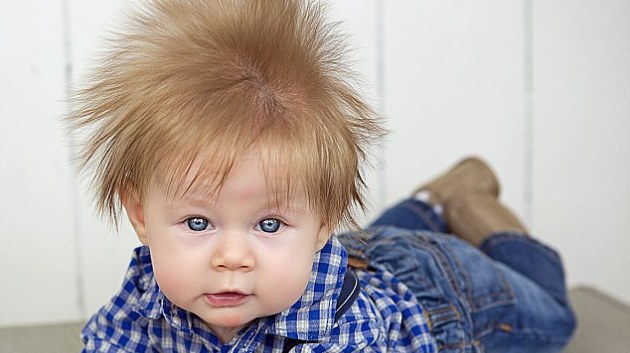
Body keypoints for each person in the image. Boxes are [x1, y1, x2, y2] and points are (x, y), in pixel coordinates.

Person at [68, 0, 576, 352]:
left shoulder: (344, 335)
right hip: (360, 253)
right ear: (140, 214)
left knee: (556, 315)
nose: (231, 259)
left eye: (268, 225)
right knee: (375, 243)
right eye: (198, 223)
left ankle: (481, 217)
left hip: (450, 288)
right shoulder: (145, 295)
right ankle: (429, 199)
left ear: (324, 220)